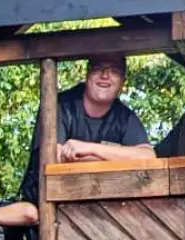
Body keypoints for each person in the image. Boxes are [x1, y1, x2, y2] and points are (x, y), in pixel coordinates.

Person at [20, 54, 154, 202]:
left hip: (104, 206)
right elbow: (53, 158)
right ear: (87, 74)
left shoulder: (125, 116)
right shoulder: (59, 105)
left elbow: (148, 157)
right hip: (50, 202)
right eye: (98, 69)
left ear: (123, 81)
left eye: (114, 71)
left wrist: (89, 149)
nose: (105, 76)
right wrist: (117, 159)